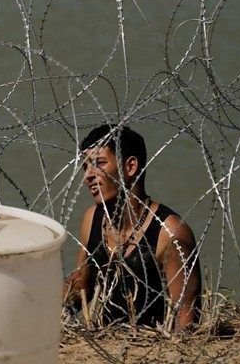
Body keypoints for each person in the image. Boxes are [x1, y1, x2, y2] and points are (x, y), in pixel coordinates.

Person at [63, 125, 201, 331]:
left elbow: (186, 318)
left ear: (131, 167)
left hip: (152, 349)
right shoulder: (93, 218)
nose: (88, 176)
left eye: (99, 164)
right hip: (105, 343)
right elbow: (80, 287)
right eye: (85, 167)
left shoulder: (168, 232)